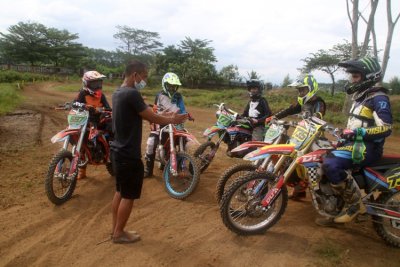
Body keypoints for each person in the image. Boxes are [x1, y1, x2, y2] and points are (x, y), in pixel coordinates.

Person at [110, 60, 187, 244]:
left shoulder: (118, 92)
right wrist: (172, 120)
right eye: (143, 77)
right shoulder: (132, 94)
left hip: (117, 151)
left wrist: (168, 117)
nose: (144, 80)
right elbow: (152, 117)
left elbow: (147, 114)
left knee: (120, 192)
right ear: (135, 75)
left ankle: (115, 229)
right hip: (129, 154)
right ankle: (119, 233)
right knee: (128, 195)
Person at [316, 56, 392, 226]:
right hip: (356, 144)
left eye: (356, 76)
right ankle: (336, 202)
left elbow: (386, 128)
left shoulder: (378, 98)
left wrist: (357, 132)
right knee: (320, 156)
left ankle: (355, 205)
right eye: (352, 76)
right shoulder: (362, 97)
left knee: (331, 164)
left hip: (369, 148)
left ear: (369, 77)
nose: (352, 80)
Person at [271, 74, 326, 200]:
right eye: (299, 90)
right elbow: (289, 110)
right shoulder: (302, 102)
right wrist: (275, 117)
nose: (301, 92)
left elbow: (319, 115)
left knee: (308, 164)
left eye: (303, 90)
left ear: (311, 88)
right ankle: (299, 189)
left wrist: (312, 118)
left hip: (315, 138)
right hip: (302, 135)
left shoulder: (319, 102)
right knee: (289, 159)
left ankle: (314, 188)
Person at [143, 72, 189, 178]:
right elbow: (155, 111)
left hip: (175, 124)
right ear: (165, 84)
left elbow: (182, 109)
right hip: (161, 124)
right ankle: (148, 170)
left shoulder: (178, 96)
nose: (172, 88)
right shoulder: (159, 96)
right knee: (150, 143)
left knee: (186, 142)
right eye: (170, 85)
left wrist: (183, 115)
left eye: (174, 86)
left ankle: (183, 165)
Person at [73, 70, 111, 180]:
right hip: (85, 121)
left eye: (99, 83)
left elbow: (108, 108)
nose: (97, 86)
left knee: (112, 127)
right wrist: (82, 106)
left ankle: (112, 153)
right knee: (82, 145)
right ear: (86, 84)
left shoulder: (101, 96)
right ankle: (82, 170)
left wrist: (102, 110)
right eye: (94, 84)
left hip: (99, 120)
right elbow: (74, 103)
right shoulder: (82, 94)